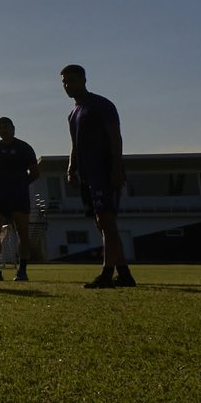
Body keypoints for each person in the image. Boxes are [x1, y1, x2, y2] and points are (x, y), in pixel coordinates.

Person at [62, 64, 131, 288]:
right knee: (102, 225)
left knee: (107, 222)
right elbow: (75, 143)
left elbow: (115, 136)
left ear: (83, 80)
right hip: (87, 175)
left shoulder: (102, 105)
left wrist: (116, 167)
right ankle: (125, 274)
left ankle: (106, 273)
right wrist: (72, 167)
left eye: (71, 80)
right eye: (64, 81)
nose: (67, 85)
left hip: (104, 171)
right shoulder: (73, 113)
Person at [0, 116, 38, 282]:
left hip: (18, 195)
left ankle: (22, 270)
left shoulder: (24, 148)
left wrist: (19, 184)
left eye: (6, 126)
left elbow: (35, 173)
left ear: (13, 128)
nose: (4, 130)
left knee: (22, 231)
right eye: (0, 127)